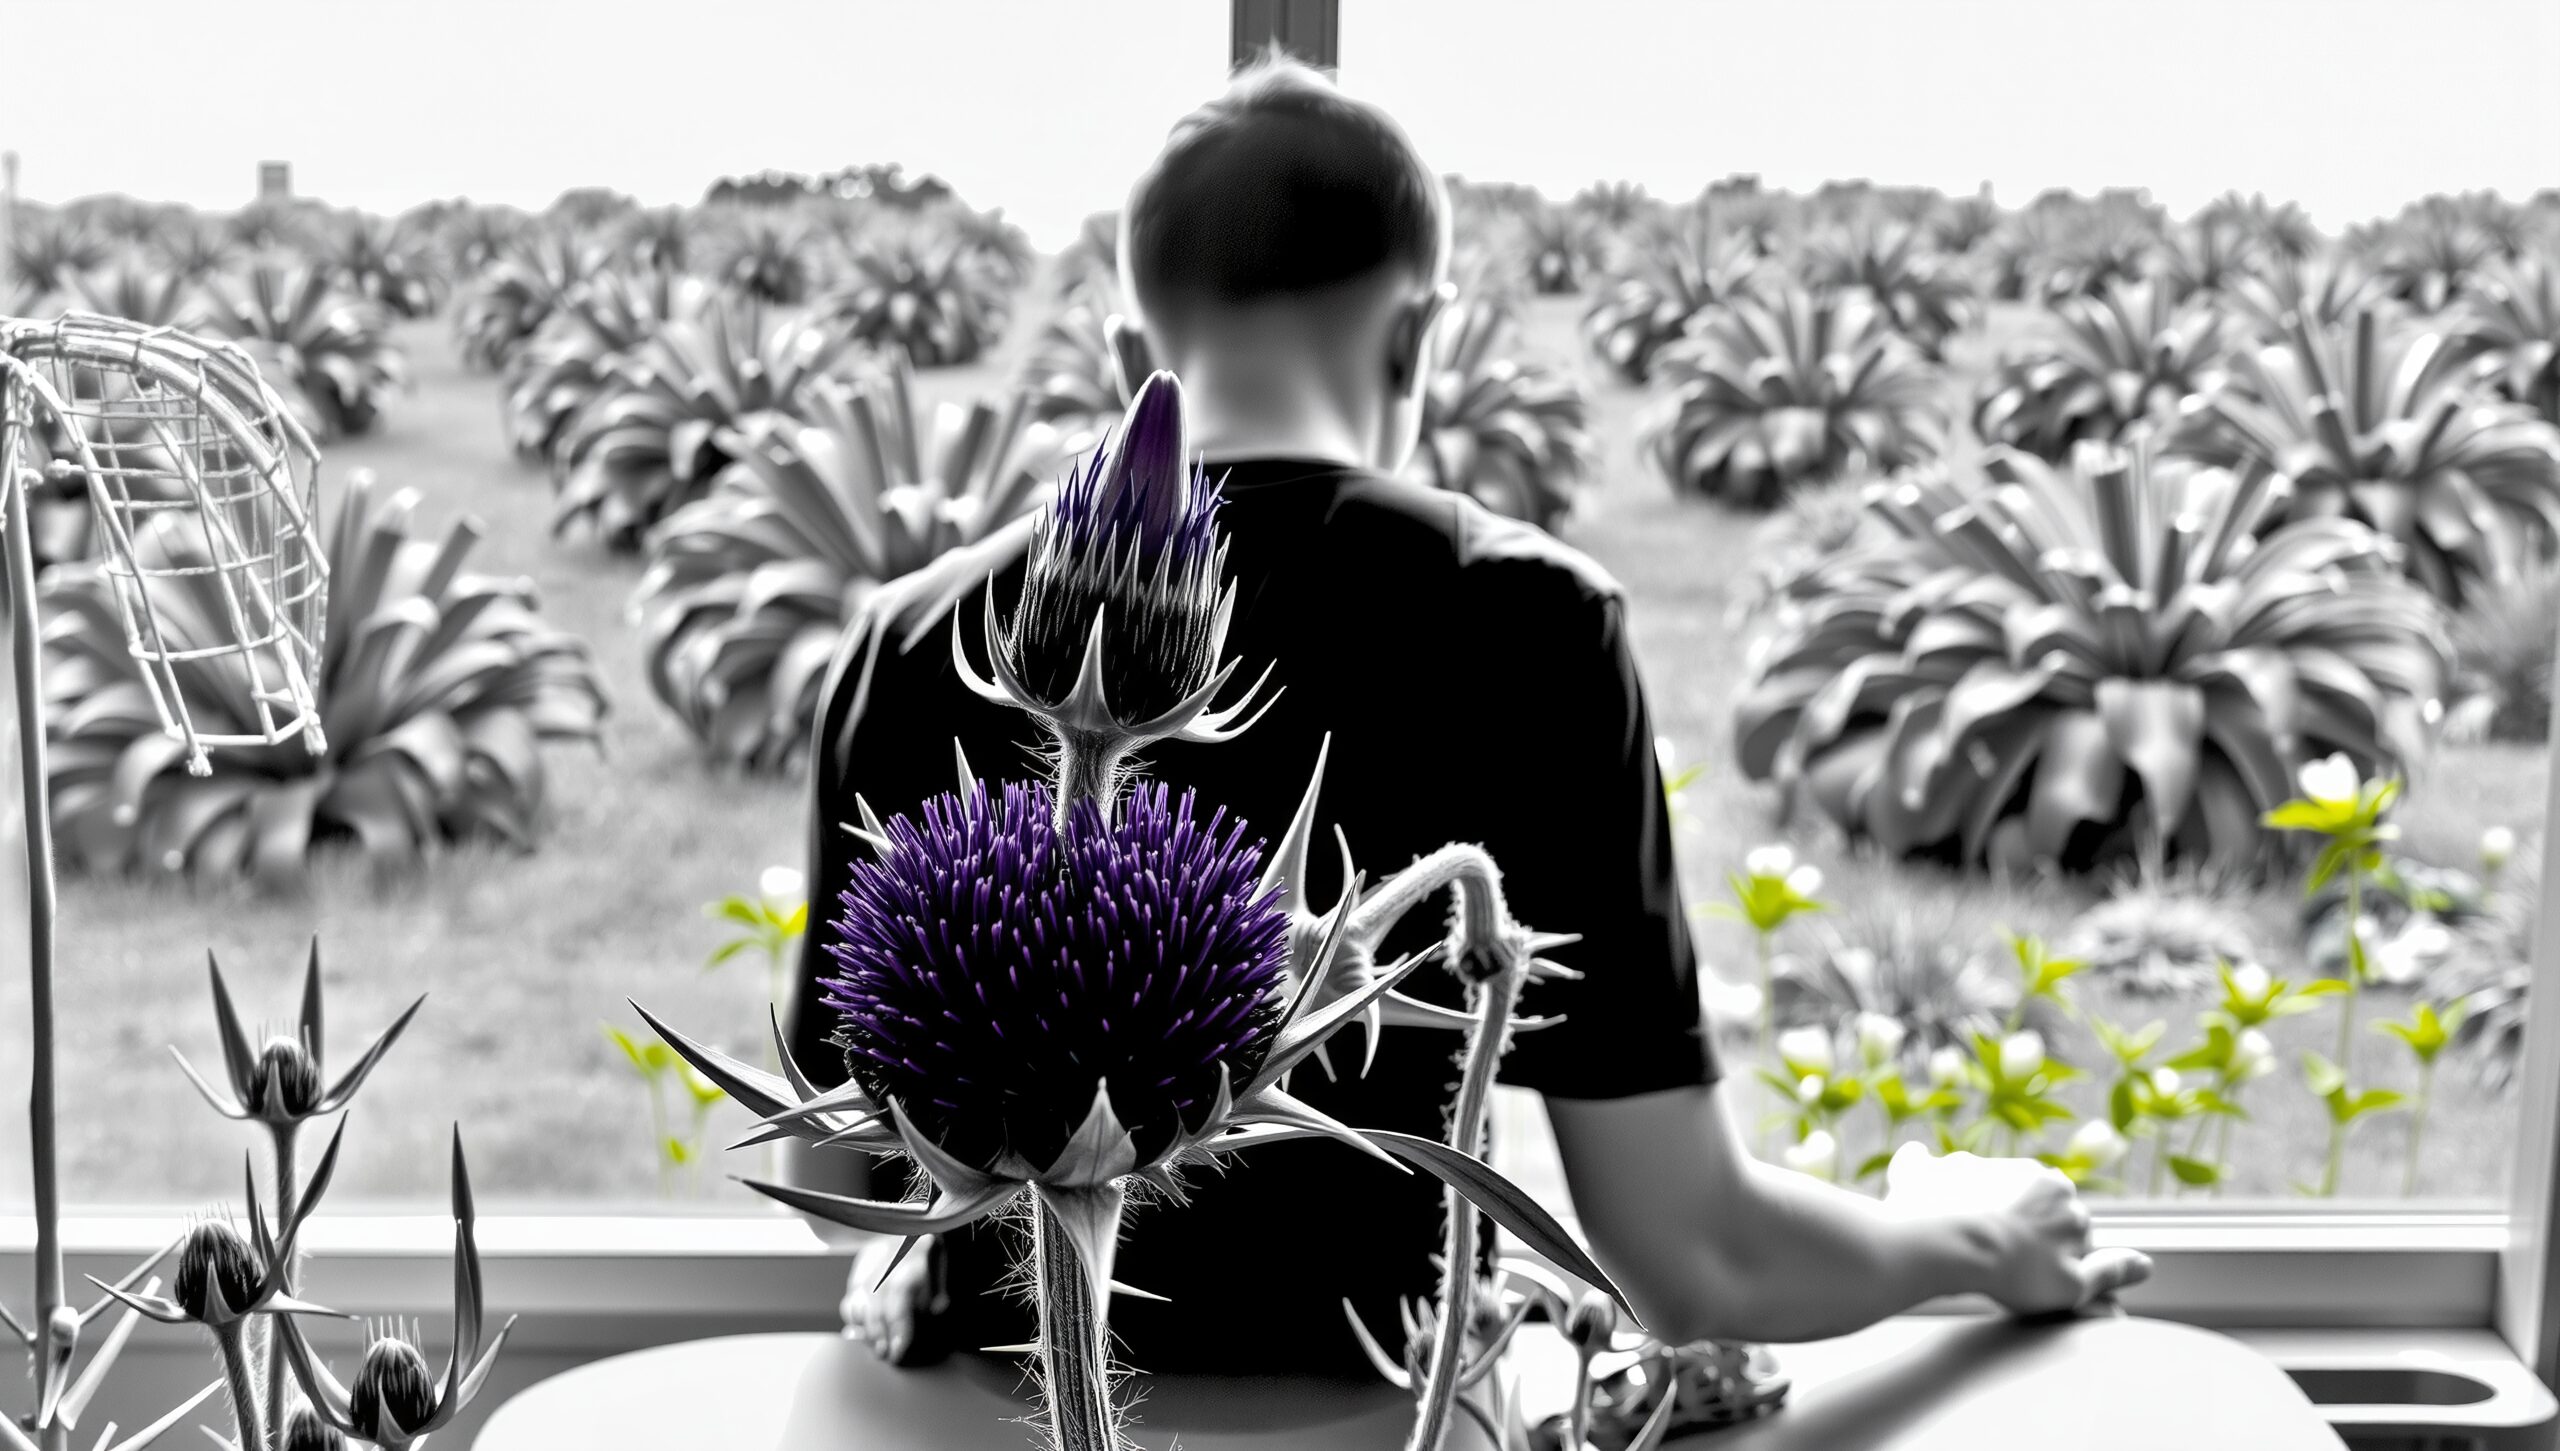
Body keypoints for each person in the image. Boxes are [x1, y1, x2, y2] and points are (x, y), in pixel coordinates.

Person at [784, 55, 2149, 1377]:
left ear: (1132, 350)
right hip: (1397, 1420)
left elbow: (831, 1169)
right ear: (1420, 334)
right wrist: (1975, 1234)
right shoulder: (1532, 623)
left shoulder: (905, 639)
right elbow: (1693, 1257)